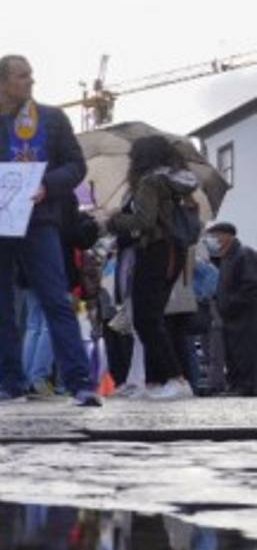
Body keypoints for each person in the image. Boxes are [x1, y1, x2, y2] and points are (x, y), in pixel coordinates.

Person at [0, 56, 99, 407]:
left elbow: (76, 166)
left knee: (55, 300)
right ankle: (8, 382)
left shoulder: (51, 119)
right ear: (0, 83)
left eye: (30, 75)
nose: (31, 81)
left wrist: (47, 185)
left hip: (38, 220)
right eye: (22, 76)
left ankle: (79, 383)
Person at [106, 136, 200, 400]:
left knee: (146, 318)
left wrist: (113, 220)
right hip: (174, 251)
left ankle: (175, 378)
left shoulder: (149, 182)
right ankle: (157, 380)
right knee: (153, 318)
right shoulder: (175, 182)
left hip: (155, 250)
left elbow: (144, 221)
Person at [208, 222, 257, 395]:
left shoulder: (244, 254)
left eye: (215, 236)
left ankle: (247, 385)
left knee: (245, 351)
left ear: (227, 236)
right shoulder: (226, 257)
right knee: (233, 352)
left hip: (244, 316)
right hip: (230, 317)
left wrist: (231, 303)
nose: (212, 240)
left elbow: (251, 285)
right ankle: (236, 384)